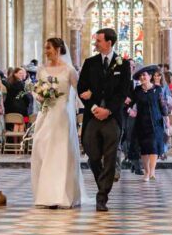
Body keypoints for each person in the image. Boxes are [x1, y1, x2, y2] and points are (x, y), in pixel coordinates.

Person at [77, 28, 132, 212]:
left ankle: (102, 196)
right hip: (92, 115)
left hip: (112, 117)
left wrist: (108, 110)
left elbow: (123, 91)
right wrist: (94, 107)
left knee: (109, 157)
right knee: (93, 156)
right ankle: (103, 181)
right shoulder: (90, 62)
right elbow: (81, 87)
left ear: (109, 42)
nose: (95, 43)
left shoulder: (122, 64)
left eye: (98, 40)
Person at [30, 38, 84, 208]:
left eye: (49, 48)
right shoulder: (42, 70)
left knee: (60, 153)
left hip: (62, 114)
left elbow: (80, 92)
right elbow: (38, 89)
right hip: (46, 114)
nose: (46, 51)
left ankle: (62, 195)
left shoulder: (69, 70)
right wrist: (39, 96)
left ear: (58, 49)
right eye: (45, 48)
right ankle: (46, 194)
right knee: (42, 149)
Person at [132, 69, 164, 180]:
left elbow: (162, 105)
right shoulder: (137, 90)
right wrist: (129, 111)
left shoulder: (157, 89)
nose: (142, 77)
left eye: (144, 75)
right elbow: (128, 103)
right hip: (141, 122)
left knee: (154, 147)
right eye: (140, 76)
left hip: (155, 122)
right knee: (144, 149)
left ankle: (152, 172)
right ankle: (146, 172)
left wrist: (166, 118)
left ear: (150, 76)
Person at [153, 70, 172, 159]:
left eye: (159, 76)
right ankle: (156, 151)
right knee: (155, 133)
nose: (157, 77)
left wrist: (166, 105)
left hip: (163, 111)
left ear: (161, 77)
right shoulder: (151, 86)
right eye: (155, 75)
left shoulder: (164, 86)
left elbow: (169, 100)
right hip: (154, 111)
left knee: (164, 132)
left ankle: (163, 151)